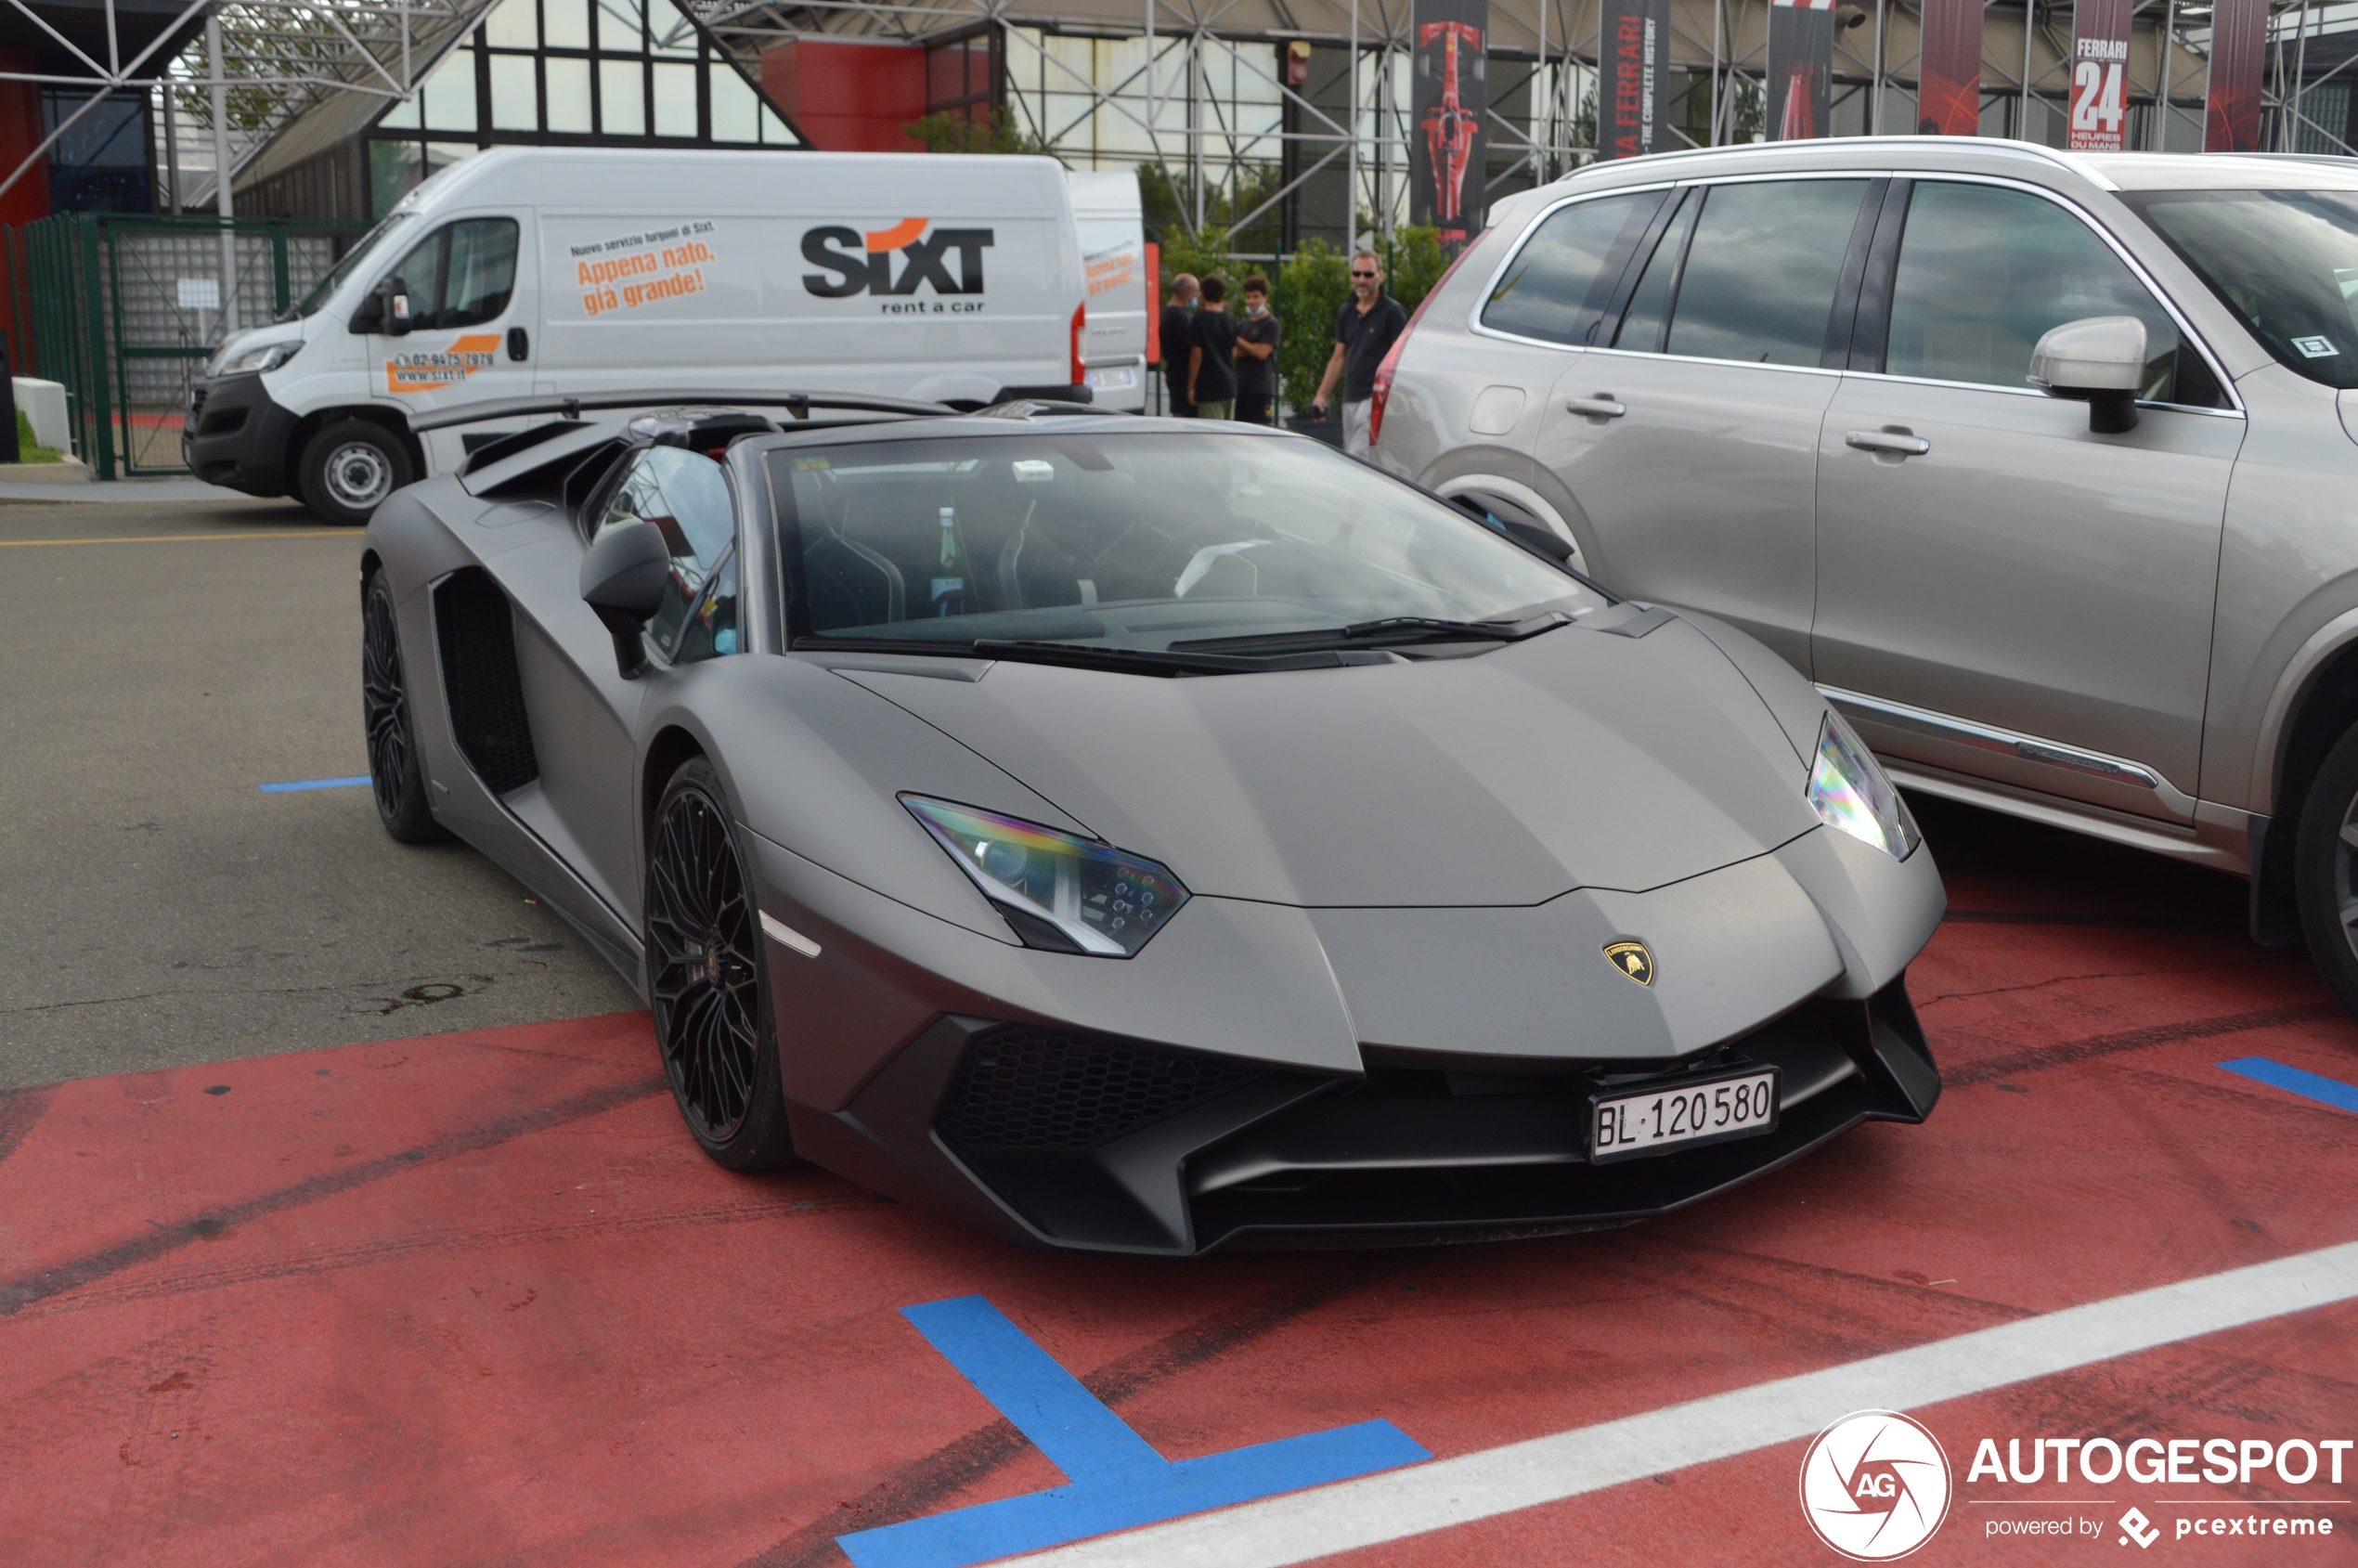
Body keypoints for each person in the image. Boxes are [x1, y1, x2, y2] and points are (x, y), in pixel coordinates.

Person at [1310, 251, 1409, 457]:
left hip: (1374, 398)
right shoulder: (1346, 312)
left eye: (1368, 274)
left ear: (1380, 276)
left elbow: (1400, 359)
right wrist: (1321, 395)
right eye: (1357, 274)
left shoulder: (1392, 312)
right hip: (1350, 398)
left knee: (1357, 457)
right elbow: (1339, 357)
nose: (1361, 280)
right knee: (1355, 459)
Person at [1233, 274, 1282, 426]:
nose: (1251, 301)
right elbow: (1234, 353)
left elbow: (1262, 353)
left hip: (1261, 390)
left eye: (1256, 296)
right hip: (1241, 388)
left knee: (1262, 433)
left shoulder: (1272, 324)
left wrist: (1239, 340)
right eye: (1248, 297)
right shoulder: (1242, 324)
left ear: (1265, 297)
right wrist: (1253, 347)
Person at [1187, 274, 1238, 421]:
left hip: (1209, 387)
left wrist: (1191, 386)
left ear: (1202, 293)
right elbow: (1234, 352)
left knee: (1212, 434)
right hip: (1229, 385)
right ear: (1222, 295)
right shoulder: (1229, 319)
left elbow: (1197, 355)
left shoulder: (1199, 320)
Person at [1159, 273, 1199, 417]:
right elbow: (1194, 347)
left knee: (1178, 414)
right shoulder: (1182, 317)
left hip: (1174, 373)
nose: (1197, 295)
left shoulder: (1168, 312)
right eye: (1195, 291)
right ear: (1184, 292)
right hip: (1184, 374)